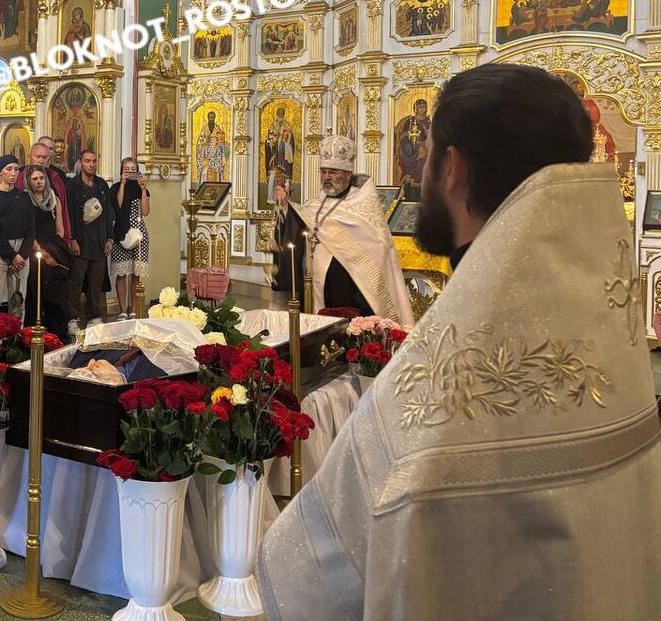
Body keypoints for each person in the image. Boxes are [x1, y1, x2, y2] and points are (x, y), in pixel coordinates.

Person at [259, 64, 661, 620]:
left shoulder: (439, 381)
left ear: (453, 167)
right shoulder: (610, 320)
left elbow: (303, 574)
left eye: (425, 156)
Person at [274, 135, 412, 325]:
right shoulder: (317, 202)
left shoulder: (364, 204)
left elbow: (378, 245)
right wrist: (284, 206)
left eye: (332, 172)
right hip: (314, 280)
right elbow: (298, 225)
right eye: (323, 172)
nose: (326, 177)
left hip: (350, 285)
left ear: (347, 174)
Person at [66, 149, 115, 328]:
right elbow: (68, 214)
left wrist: (109, 238)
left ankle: (94, 316)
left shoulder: (102, 185)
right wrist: (71, 239)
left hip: (99, 241)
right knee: (76, 282)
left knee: (96, 283)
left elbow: (108, 213)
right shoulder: (72, 185)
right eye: (87, 161)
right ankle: (72, 318)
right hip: (80, 241)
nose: (91, 164)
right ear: (80, 163)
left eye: (94, 161)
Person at [0, 155, 35, 318]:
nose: (13, 173)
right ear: (0, 172)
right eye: (9, 169)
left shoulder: (24, 197)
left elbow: (31, 229)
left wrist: (22, 254)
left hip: (21, 251)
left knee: (18, 300)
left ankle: (16, 332)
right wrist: (11, 255)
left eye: (16, 169)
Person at [25, 166, 71, 339]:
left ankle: (57, 333)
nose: (39, 182)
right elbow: (29, 231)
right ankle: (35, 334)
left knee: (56, 294)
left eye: (41, 178)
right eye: (35, 179)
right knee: (36, 294)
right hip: (35, 249)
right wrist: (43, 253)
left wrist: (55, 250)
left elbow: (60, 228)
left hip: (53, 246)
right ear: (29, 181)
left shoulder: (53, 198)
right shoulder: (25, 200)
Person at [108, 157, 149, 316]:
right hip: (121, 232)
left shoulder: (141, 188)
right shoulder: (115, 188)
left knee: (136, 273)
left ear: (138, 171)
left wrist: (143, 190)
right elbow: (118, 206)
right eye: (127, 169)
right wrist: (123, 184)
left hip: (139, 233)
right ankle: (122, 310)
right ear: (122, 171)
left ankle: (133, 309)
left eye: (133, 169)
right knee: (122, 273)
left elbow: (145, 212)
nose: (130, 172)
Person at [15, 142, 72, 240]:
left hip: (53, 237)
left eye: (44, 157)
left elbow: (63, 211)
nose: (41, 160)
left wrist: (66, 238)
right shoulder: (18, 177)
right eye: (38, 157)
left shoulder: (56, 179)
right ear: (29, 156)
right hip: (28, 238)